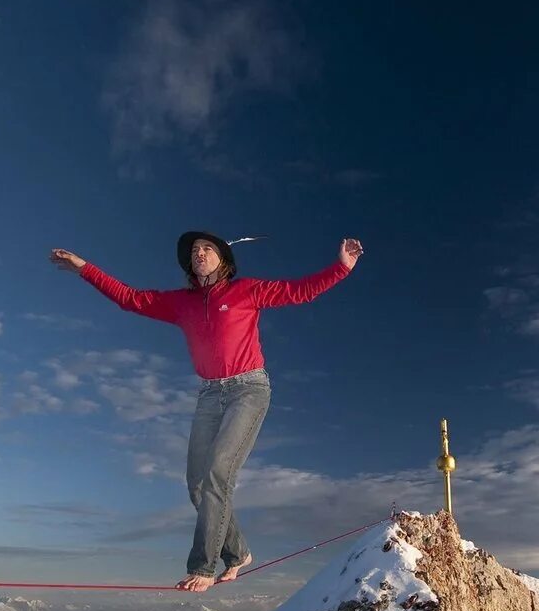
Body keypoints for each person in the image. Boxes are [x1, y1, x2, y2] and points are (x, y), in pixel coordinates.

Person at [50, 233, 363, 591]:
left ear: (223, 259)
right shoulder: (181, 302)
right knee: (197, 485)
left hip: (248, 389)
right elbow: (130, 299)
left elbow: (300, 291)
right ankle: (238, 553)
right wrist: (84, 268)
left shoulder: (247, 290)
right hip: (209, 396)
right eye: (195, 251)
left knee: (218, 473)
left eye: (207, 249)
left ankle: (204, 565)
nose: (199, 253)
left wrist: (342, 268)